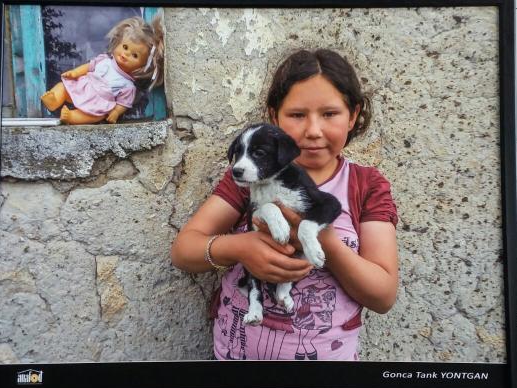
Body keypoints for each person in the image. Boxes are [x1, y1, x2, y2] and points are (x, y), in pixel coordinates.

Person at [171, 49, 399, 361]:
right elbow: (184, 250)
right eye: (297, 115)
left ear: (353, 115)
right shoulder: (250, 178)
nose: (313, 130)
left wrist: (325, 243)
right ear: (274, 117)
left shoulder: (366, 186)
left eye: (330, 114)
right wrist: (240, 248)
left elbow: (383, 296)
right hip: (235, 363)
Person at [40, 16, 164, 125]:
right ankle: (54, 101)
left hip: (99, 101)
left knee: (96, 116)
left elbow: (123, 104)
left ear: (142, 66)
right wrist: (75, 73)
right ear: (118, 42)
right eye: (125, 47)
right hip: (84, 87)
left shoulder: (128, 86)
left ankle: (71, 117)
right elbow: (89, 67)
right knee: (63, 86)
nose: (126, 54)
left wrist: (115, 113)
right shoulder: (104, 59)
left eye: (135, 55)